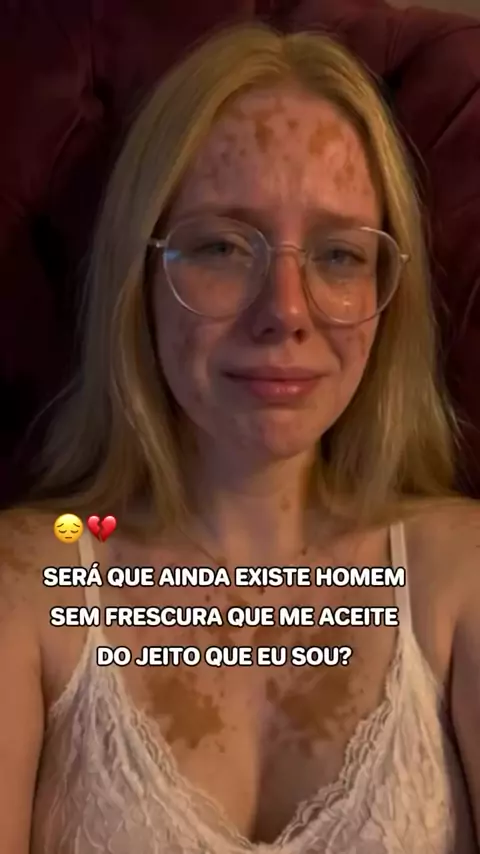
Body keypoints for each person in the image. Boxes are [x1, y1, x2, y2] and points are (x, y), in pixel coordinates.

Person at [0, 21, 478, 854]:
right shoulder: (29, 586)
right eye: (222, 246)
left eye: (338, 255)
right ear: (139, 278)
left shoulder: (459, 576)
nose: (285, 312)